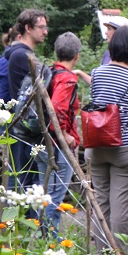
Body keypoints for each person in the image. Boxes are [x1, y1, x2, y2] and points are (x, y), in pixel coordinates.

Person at [86, 25, 128, 249]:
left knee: (101, 202)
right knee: (120, 203)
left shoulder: (96, 73)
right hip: (127, 147)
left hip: (97, 144)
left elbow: (95, 102)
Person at [37, 31, 91, 236]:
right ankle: (50, 239)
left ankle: (42, 236)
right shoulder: (67, 79)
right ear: (76, 55)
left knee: (45, 191)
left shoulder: (48, 72)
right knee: (56, 194)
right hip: (58, 145)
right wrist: (65, 135)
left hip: (43, 140)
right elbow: (59, 108)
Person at [0, 9, 49, 194]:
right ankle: (23, 219)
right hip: (24, 126)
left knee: (23, 176)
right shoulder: (22, 56)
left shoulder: (19, 53)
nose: (45, 32)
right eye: (41, 27)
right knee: (23, 178)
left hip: (21, 125)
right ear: (28, 28)